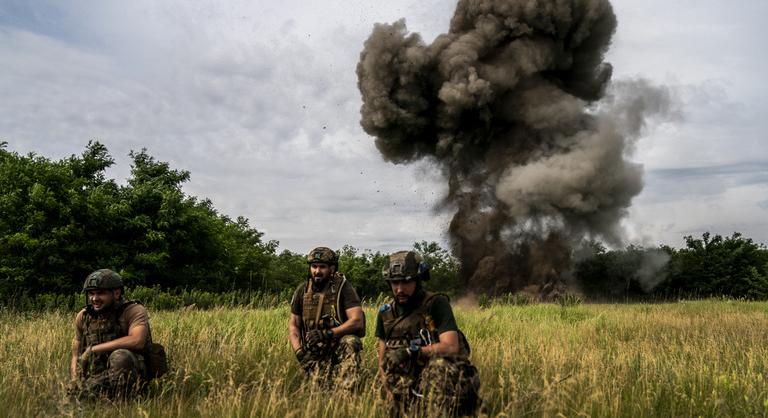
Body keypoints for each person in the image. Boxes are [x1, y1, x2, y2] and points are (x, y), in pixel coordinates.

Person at [376, 251, 480, 416]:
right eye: (395, 283)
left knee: (438, 368)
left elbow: (451, 347)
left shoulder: (436, 304)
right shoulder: (386, 313)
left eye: (406, 281)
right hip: (406, 381)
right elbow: (382, 362)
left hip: (439, 379)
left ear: (418, 281)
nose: (399, 289)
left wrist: (412, 351)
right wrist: (388, 390)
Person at [288, 247, 366, 389]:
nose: (317, 271)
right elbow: (294, 324)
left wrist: (328, 333)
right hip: (314, 349)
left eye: (322, 267)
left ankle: (347, 391)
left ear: (332, 268)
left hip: (337, 345)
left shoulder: (344, 288)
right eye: (314, 266)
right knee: (317, 392)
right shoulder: (302, 290)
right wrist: (299, 353)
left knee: (350, 341)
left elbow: (357, 321)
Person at [70, 269, 154, 399]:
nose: (94, 298)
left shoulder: (133, 310)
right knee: (74, 395)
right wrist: (75, 380)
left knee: (120, 356)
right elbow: (76, 354)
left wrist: (93, 349)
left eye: (100, 293)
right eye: (91, 294)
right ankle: (89, 392)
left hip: (132, 374)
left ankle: (125, 402)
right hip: (98, 375)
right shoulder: (83, 316)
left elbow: (137, 340)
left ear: (116, 293)